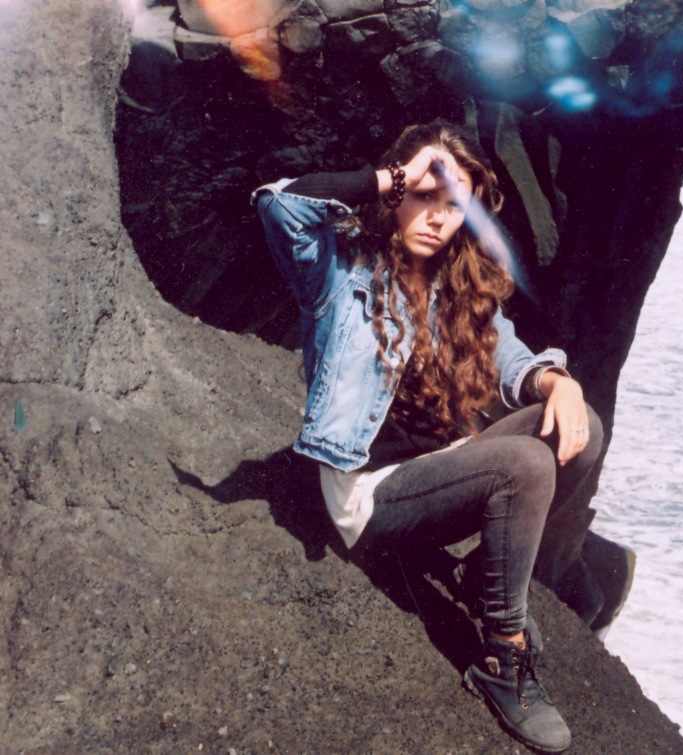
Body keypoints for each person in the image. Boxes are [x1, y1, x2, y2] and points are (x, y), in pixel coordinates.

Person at [252, 120, 628, 752]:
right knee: (523, 465)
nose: (436, 217)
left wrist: (557, 382)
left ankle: (485, 575)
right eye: (424, 198)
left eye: (453, 205)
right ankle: (503, 659)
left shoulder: (461, 286)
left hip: (446, 471)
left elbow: (514, 363)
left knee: (583, 426)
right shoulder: (339, 270)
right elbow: (278, 203)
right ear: (396, 195)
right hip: (370, 492)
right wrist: (394, 177)